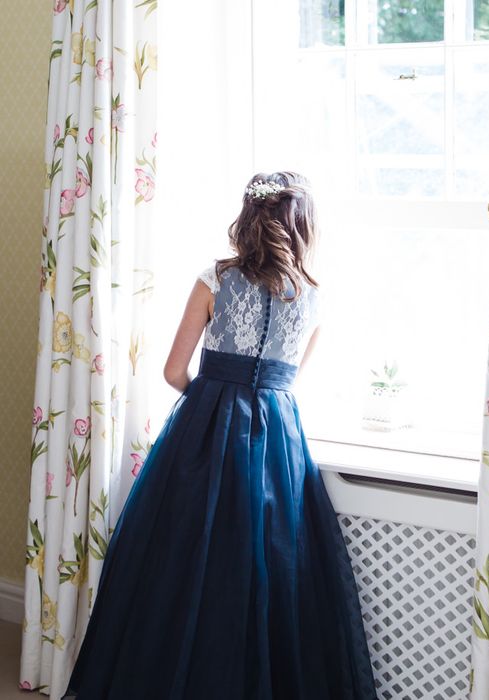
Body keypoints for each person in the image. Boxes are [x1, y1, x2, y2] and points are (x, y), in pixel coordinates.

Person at [63, 171, 377, 699]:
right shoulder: (314, 300)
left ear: (249, 218)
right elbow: (287, 380)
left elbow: (172, 372)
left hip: (207, 426)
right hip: (277, 437)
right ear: (302, 229)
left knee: (183, 560)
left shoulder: (214, 279)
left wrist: (208, 402)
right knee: (272, 565)